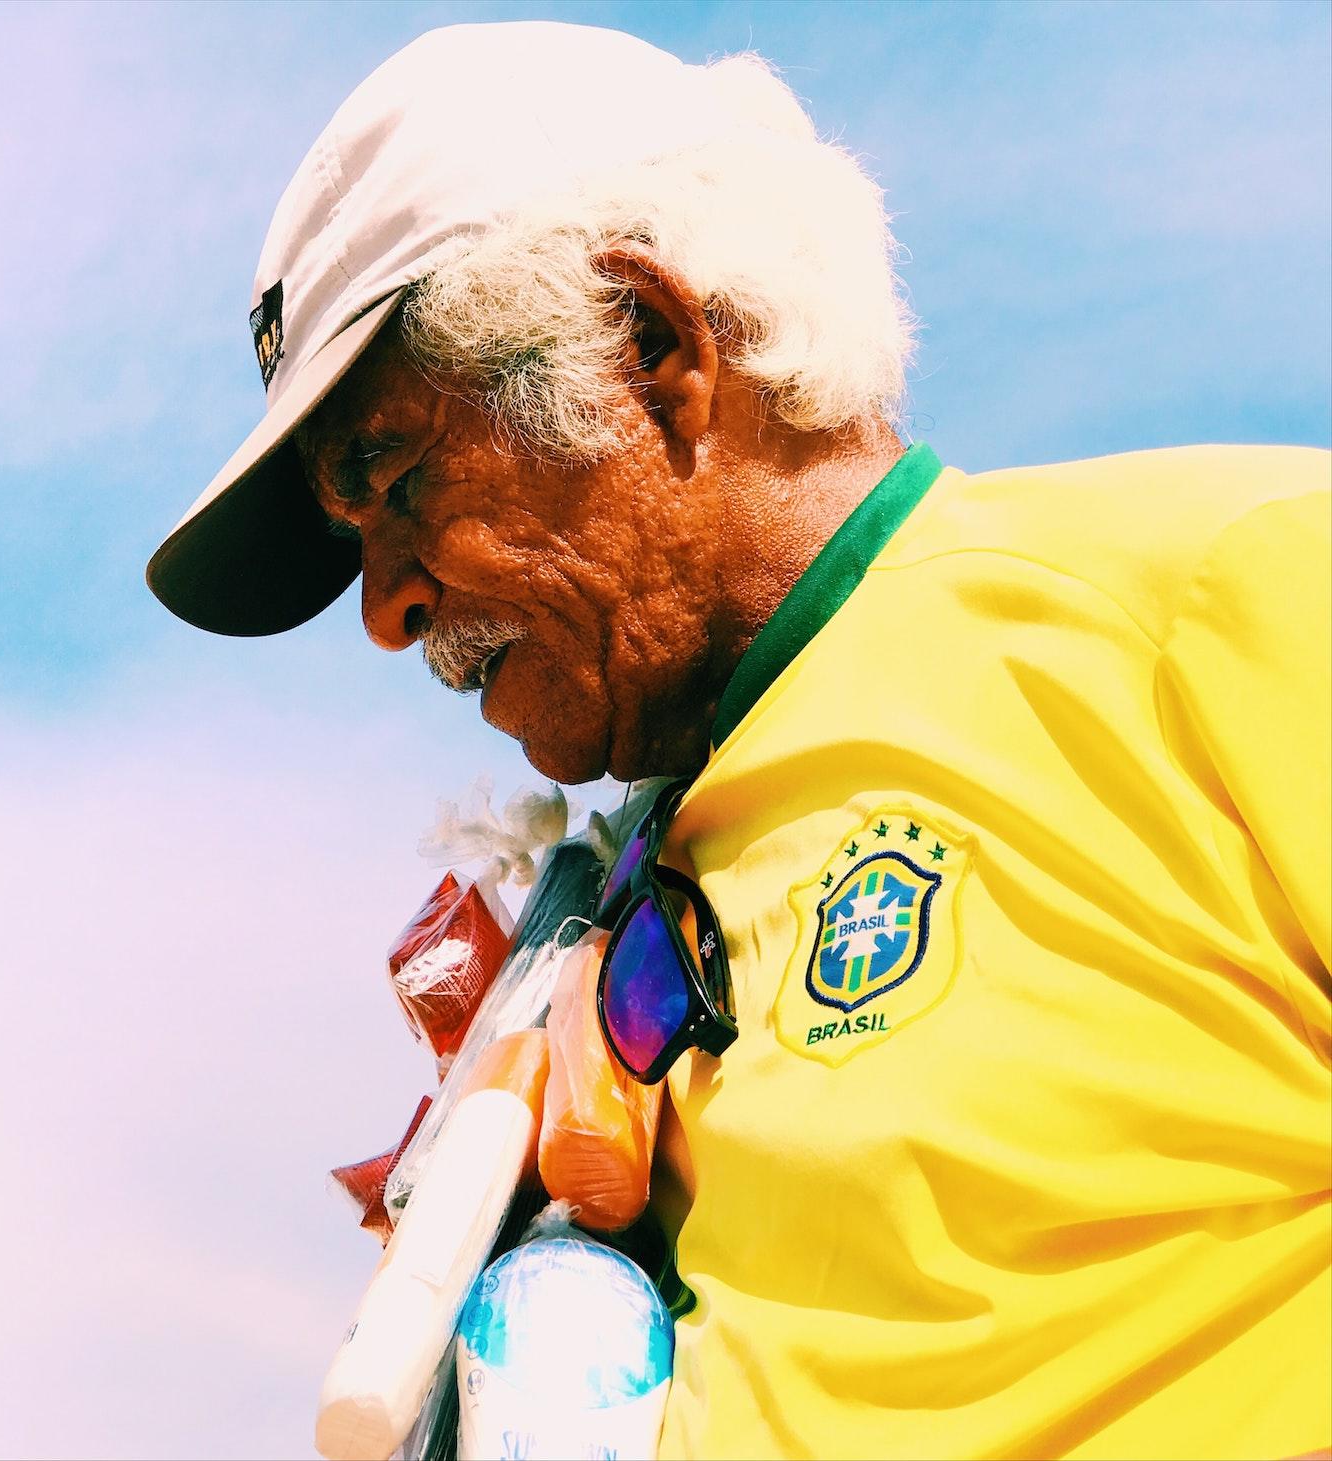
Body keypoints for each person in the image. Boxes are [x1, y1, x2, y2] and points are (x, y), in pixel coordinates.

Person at [145, 21, 1331, 1460]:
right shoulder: (594, 939)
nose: (385, 610)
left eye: (394, 483)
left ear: (649, 348)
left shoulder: (1241, 587)